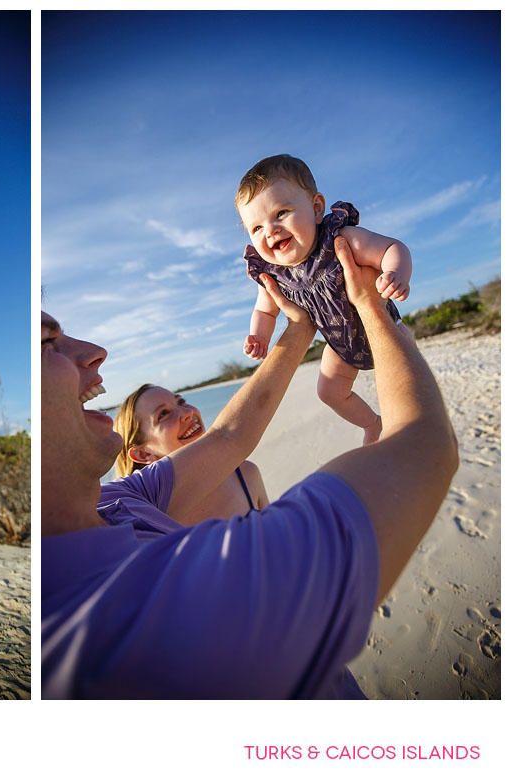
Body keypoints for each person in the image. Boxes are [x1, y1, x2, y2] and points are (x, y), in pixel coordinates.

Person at [42, 236, 458, 698]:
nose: (95, 350)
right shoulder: (113, 623)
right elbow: (423, 446)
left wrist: (299, 326)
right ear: (140, 452)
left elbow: (228, 436)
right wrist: (371, 310)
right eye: (47, 343)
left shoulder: (121, 501)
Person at [237, 154, 412, 445]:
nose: (270, 230)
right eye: (256, 228)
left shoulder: (340, 240)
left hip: (386, 330)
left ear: (317, 208)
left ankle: (407, 430)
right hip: (341, 346)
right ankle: (372, 424)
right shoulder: (274, 275)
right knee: (329, 392)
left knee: (404, 389)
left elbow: (392, 248)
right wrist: (259, 336)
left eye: (281, 213)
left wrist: (396, 273)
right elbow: (265, 311)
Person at [104, 385, 268, 532]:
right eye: (164, 414)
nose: (188, 413)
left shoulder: (245, 474)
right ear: (144, 454)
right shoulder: (149, 518)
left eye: (181, 402)